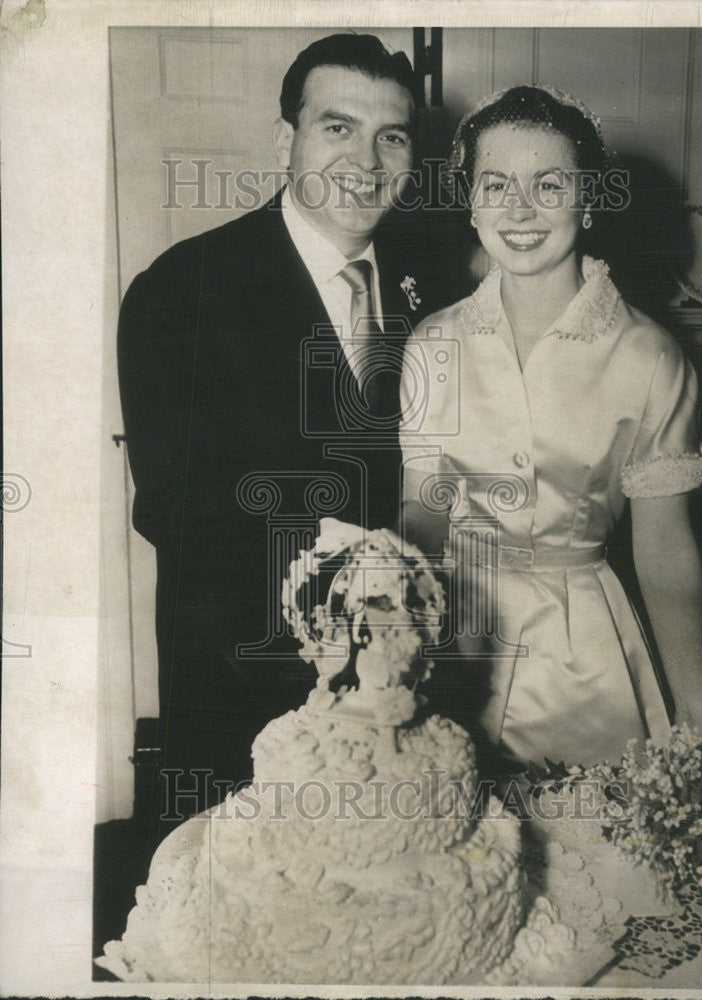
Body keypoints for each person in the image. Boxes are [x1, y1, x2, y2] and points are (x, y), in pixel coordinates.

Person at [117, 33, 459, 812]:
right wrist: (349, 585)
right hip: (246, 694)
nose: (365, 162)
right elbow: (179, 507)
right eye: (338, 127)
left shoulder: (433, 286)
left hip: (403, 693)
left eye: (392, 136)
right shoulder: (182, 292)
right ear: (286, 142)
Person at [400, 86, 702, 768]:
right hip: (458, 645)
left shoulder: (648, 356)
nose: (519, 209)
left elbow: (664, 553)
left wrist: (698, 719)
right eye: (496, 184)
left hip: (587, 663)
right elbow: (421, 509)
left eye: (549, 184)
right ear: (471, 202)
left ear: (589, 199)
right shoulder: (433, 342)